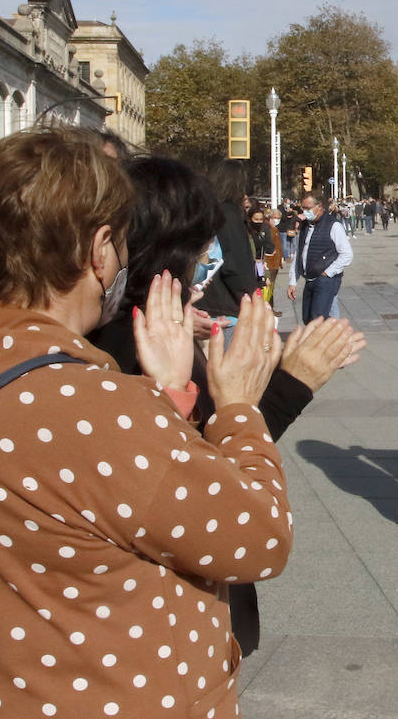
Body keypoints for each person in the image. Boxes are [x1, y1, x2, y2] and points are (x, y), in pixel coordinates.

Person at [0, 127, 290, 719]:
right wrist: (238, 409)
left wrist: (164, 402)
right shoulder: (86, 405)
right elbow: (257, 537)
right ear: (100, 250)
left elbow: (58, 525)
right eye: (124, 239)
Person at [91, 155, 365, 656]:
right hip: (166, 633)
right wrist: (287, 385)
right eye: (200, 246)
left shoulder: (133, 329)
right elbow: (228, 506)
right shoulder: (127, 350)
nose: (204, 262)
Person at [196, 159, 257, 325]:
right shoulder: (228, 216)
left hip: (203, 303)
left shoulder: (204, 212)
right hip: (227, 308)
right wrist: (253, 298)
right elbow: (236, 264)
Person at [289, 191, 353, 324]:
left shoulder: (333, 225)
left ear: (319, 206)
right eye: (303, 208)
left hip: (325, 279)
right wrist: (293, 281)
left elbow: (347, 254)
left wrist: (328, 272)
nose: (305, 212)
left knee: (318, 318)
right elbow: (300, 254)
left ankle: (327, 342)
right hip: (310, 278)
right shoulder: (306, 226)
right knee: (308, 318)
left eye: (308, 208)